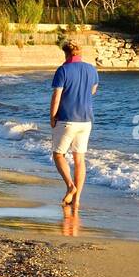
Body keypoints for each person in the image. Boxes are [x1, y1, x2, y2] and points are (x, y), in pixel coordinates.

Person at [50, 40, 98, 214]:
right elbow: (93, 90)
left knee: (58, 154)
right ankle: (76, 201)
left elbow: (56, 96)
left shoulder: (63, 70)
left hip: (67, 119)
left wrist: (52, 116)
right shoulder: (91, 69)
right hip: (86, 120)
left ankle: (70, 186)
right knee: (80, 159)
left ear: (67, 53)